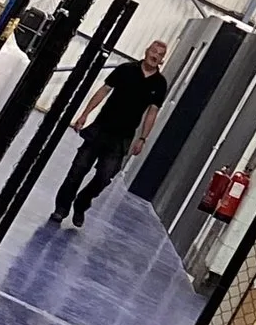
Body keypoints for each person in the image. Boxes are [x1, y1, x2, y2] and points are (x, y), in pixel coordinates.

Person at [51, 39, 170, 231]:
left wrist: (142, 138)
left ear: (162, 60)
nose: (155, 56)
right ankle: (61, 208)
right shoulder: (125, 69)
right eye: (153, 51)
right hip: (101, 128)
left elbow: (152, 112)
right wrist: (85, 115)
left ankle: (82, 203)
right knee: (78, 170)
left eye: (160, 55)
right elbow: (103, 91)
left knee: (104, 177)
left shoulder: (160, 83)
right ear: (146, 51)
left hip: (122, 137)